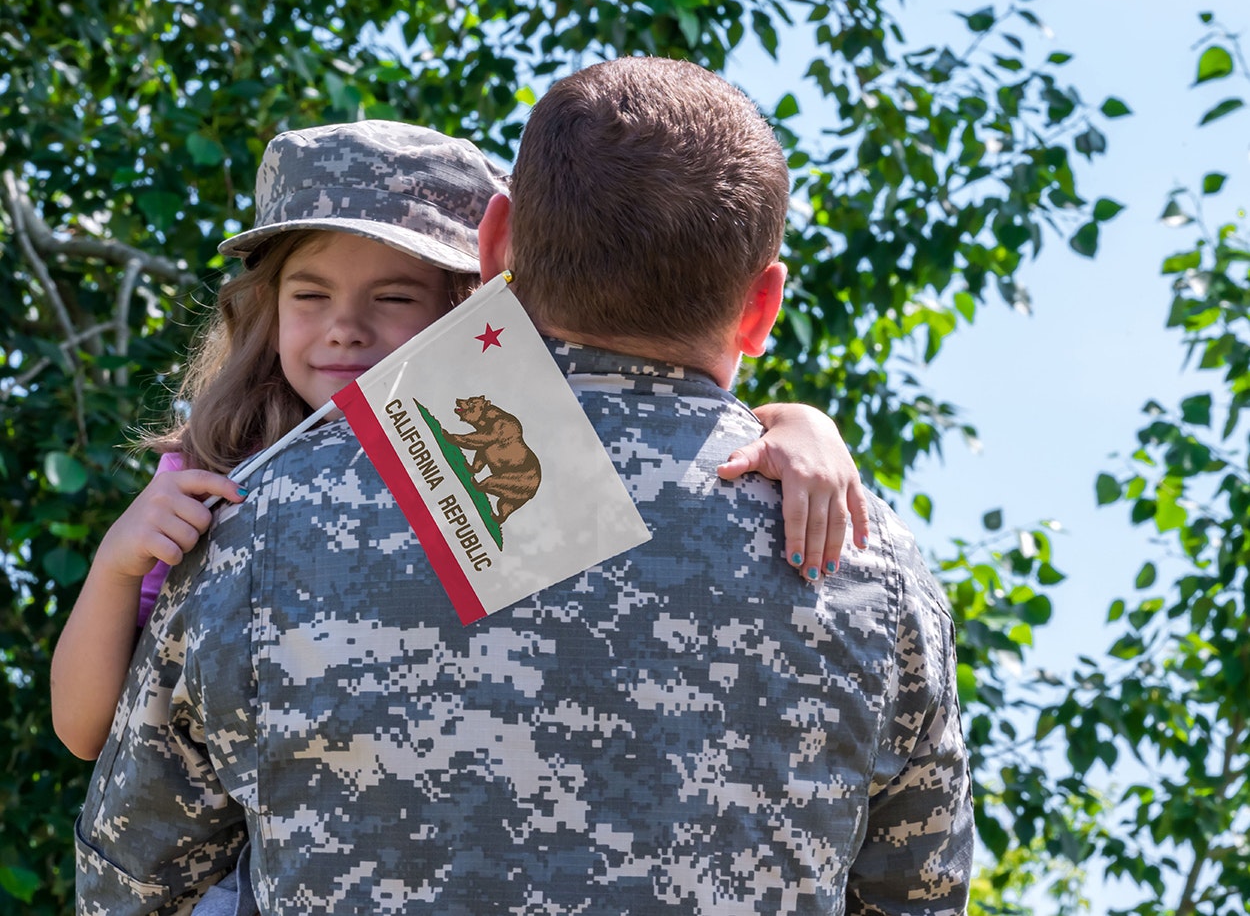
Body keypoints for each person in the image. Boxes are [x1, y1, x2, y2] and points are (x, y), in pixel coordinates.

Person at [75, 64, 969, 913]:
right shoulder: (863, 558)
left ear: (495, 243)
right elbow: (915, 894)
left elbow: (132, 879)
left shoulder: (255, 525)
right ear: (763, 305)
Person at [51, 121, 867, 767]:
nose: (345, 326)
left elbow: (665, 430)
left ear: (468, 306)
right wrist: (117, 565)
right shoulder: (213, 465)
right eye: (310, 293)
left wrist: (794, 422)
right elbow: (88, 731)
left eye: (394, 294)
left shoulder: (516, 417)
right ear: (264, 307)